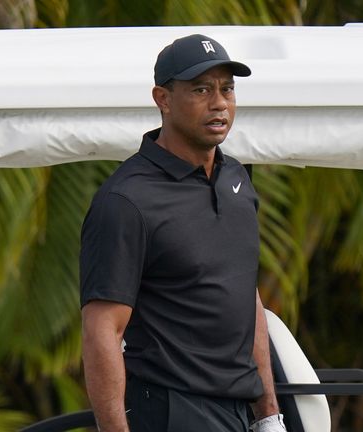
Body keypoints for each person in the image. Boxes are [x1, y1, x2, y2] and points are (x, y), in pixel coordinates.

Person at [80, 34, 286, 432]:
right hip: (171, 412)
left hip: (240, 413)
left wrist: (269, 413)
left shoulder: (236, 179)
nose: (219, 103)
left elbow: (246, 299)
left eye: (227, 89)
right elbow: (102, 330)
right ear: (163, 98)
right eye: (201, 89)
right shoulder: (126, 201)